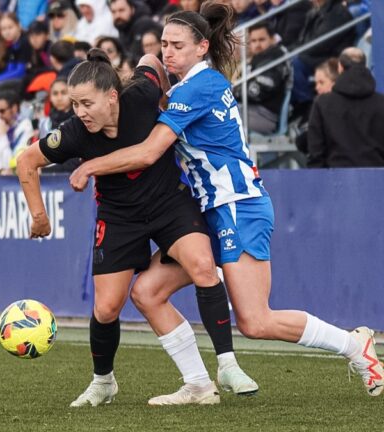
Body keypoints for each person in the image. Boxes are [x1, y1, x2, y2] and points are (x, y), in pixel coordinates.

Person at [69, 1, 384, 398]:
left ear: (202, 47)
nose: (167, 52)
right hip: (212, 210)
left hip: (237, 205)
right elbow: (153, 74)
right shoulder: (191, 85)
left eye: (177, 45)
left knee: (255, 321)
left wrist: (90, 166)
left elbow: (150, 152)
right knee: (146, 292)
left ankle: (355, 345)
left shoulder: (199, 86)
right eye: (165, 44)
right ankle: (199, 384)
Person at [17, 48, 258, 407]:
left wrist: (163, 98)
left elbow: (149, 58)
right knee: (106, 309)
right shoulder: (73, 133)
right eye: (75, 104)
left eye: (87, 103)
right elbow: (26, 160)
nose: (80, 112)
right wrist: (38, 215)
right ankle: (104, 383)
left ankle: (228, 364)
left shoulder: (142, 95)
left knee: (203, 265)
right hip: (118, 216)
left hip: (168, 203)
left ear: (113, 96)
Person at [307, 47, 384, 168]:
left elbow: (316, 153)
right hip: (377, 180)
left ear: (340, 67)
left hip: (335, 181)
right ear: (365, 65)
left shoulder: (322, 103)